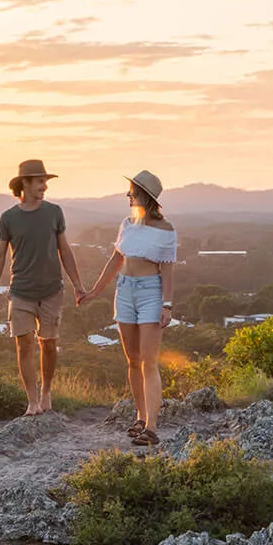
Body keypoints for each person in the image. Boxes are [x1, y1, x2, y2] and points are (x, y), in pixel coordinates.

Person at [79, 170, 176, 446]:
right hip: (124, 292)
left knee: (149, 360)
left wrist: (167, 306)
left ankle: (152, 427)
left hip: (150, 293)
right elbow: (115, 261)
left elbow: (167, 272)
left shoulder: (166, 231)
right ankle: (140, 416)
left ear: (144, 195)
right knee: (133, 359)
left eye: (132, 192)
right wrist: (94, 291)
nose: (128, 196)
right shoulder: (127, 224)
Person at [0, 159, 86, 416]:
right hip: (20, 292)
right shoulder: (8, 218)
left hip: (51, 291)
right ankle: (32, 401)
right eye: (40, 181)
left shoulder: (54, 212)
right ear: (25, 183)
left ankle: (46, 392)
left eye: (45, 182)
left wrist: (78, 285)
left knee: (49, 344)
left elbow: (65, 250)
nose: (44, 186)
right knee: (24, 345)